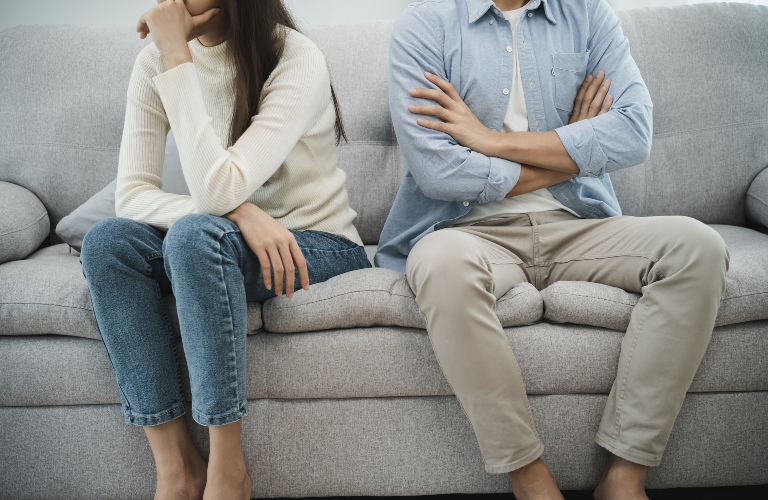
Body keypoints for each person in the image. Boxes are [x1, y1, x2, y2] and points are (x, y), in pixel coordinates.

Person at [375, 1, 729, 499]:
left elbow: (633, 134)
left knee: (698, 247)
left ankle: (625, 477)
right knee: (438, 262)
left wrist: (489, 140)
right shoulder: (426, 24)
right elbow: (439, 171)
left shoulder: (589, 14)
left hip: (579, 225)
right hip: (468, 230)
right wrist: (573, 151)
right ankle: (530, 479)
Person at [79, 1, 370, 498]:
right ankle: (177, 468)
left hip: (316, 242)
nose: (170, 5)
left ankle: (227, 470)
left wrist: (177, 55)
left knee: (195, 235)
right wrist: (242, 213)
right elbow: (132, 196)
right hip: (223, 239)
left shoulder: (295, 57)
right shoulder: (153, 61)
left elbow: (217, 192)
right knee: (107, 242)